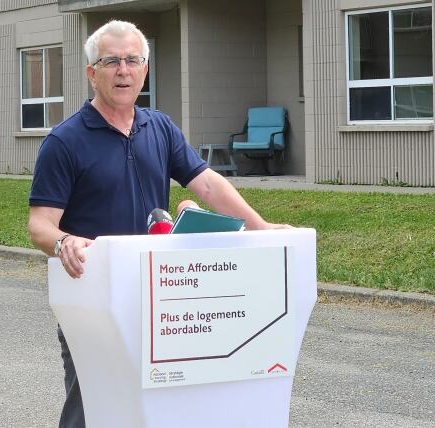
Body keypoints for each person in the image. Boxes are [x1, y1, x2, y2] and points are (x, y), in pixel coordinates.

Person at [27, 20, 290, 428]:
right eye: (111, 61)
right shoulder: (64, 141)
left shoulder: (160, 128)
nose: (123, 70)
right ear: (91, 73)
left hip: (159, 296)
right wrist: (65, 244)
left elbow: (206, 183)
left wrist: (258, 226)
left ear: (145, 70)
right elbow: (40, 225)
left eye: (133, 60)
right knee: (92, 407)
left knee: (156, 407)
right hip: (94, 301)